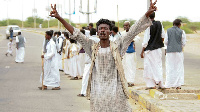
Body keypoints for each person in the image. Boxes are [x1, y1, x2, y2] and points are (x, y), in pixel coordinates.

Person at [49, 1, 157, 111]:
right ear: (97, 32)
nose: (102, 30)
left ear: (110, 31)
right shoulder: (91, 46)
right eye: (100, 28)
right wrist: (59, 17)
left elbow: (133, 31)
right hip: (98, 93)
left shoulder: (118, 46)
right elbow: (76, 33)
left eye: (105, 28)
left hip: (116, 92)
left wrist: (147, 14)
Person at [140, 12, 165, 89]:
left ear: (147, 17)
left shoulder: (148, 25)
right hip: (158, 49)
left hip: (150, 50)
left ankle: (151, 84)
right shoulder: (159, 24)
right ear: (154, 16)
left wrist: (142, 51)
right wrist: (158, 42)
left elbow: (146, 41)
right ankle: (160, 83)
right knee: (158, 66)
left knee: (149, 67)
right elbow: (163, 36)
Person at [164, 19, 186, 89]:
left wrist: (171, 45)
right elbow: (183, 43)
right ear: (179, 24)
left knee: (169, 67)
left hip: (170, 51)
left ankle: (169, 84)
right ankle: (178, 85)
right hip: (178, 51)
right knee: (178, 67)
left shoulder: (168, 30)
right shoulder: (182, 31)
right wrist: (179, 46)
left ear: (173, 24)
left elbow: (166, 42)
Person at [77, 28, 100, 97]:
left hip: (89, 61)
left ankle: (83, 92)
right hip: (97, 61)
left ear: (90, 33)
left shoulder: (88, 40)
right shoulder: (99, 40)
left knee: (85, 77)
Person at [121, 21, 140, 87]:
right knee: (125, 67)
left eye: (127, 25)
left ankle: (131, 81)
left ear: (129, 26)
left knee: (131, 67)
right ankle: (127, 80)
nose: (125, 27)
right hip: (124, 53)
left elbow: (138, 39)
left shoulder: (132, 33)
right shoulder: (122, 33)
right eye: (124, 25)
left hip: (131, 52)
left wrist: (133, 40)